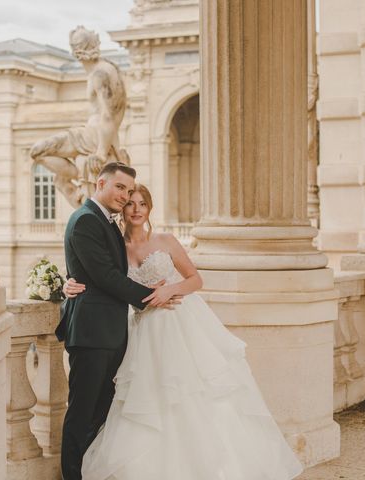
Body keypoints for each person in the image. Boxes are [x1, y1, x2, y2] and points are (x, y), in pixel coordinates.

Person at [63, 184, 304, 480]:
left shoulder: (165, 240)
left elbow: (195, 279)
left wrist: (170, 290)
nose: (137, 209)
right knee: (145, 397)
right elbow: (99, 274)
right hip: (139, 331)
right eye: (131, 204)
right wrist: (68, 283)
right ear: (122, 210)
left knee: (187, 393)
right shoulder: (115, 247)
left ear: (149, 209)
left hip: (176, 322)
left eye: (143, 203)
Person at [57, 163, 181, 480]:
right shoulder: (85, 219)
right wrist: (154, 296)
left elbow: (95, 270)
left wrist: (70, 279)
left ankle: (87, 469)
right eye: (120, 188)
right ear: (101, 183)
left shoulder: (107, 222)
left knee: (102, 410)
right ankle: (72, 475)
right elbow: (106, 276)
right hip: (91, 333)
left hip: (112, 332)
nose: (125, 196)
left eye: (129, 190)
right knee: (82, 410)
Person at [30, 26, 130, 207]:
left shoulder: (100, 74)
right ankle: (79, 177)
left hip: (92, 137)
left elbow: (108, 116)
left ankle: (78, 174)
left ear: (76, 50)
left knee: (38, 150)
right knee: (56, 175)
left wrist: (100, 153)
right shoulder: (107, 68)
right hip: (95, 135)